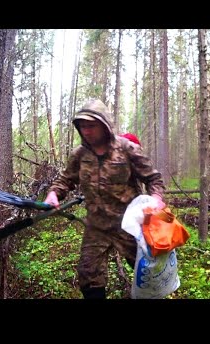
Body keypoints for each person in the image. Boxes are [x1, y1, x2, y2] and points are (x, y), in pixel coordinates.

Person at [44, 98, 165, 299]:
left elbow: (153, 178)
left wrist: (157, 198)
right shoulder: (80, 154)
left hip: (129, 224)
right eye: (82, 127)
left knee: (147, 273)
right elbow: (65, 179)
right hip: (96, 226)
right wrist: (53, 193)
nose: (87, 131)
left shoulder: (127, 148)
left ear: (105, 126)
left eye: (91, 126)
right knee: (88, 275)